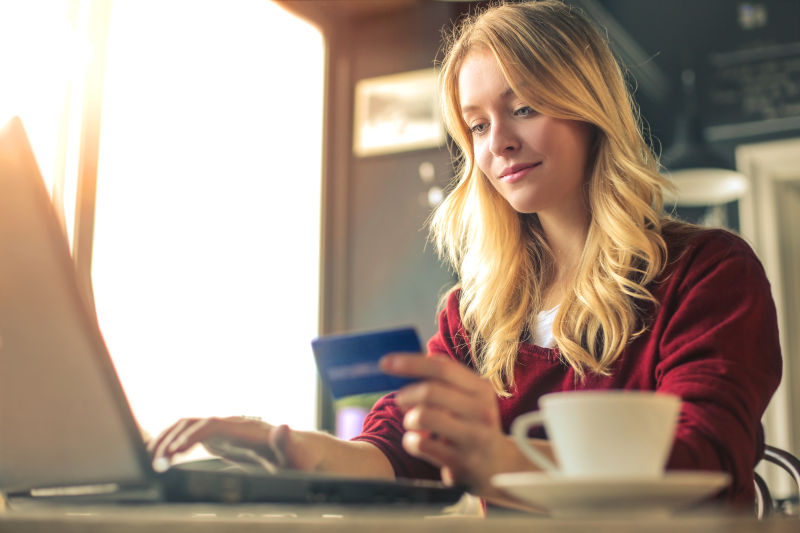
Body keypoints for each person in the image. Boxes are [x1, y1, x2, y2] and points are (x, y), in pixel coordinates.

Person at [150, 0, 782, 510]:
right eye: (477, 125)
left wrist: (500, 461)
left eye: (524, 108)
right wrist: (282, 445)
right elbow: (394, 454)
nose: (499, 143)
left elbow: (707, 465)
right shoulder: (475, 313)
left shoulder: (711, 272)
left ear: (588, 110)